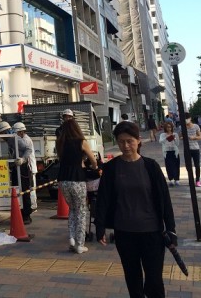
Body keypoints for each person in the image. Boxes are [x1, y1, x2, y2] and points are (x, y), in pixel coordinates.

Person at [95, 121, 177, 298]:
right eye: (121, 141)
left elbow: (165, 199)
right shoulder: (111, 168)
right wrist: (100, 226)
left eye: (130, 141)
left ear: (139, 141)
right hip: (125, 232)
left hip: (152, 232)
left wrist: (171, 228)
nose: (125, 146)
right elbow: (103, 198)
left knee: (154, 280)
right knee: (133, 279)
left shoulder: (150, 166)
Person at [56, 118, 98, 254]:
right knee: (81, 210)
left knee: (72, 209)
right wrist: (94, 166)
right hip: (77, 179)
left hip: (63, 180)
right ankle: (80, 244)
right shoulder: (82, 142)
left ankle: (72, 239)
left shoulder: (60, 143)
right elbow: (93, 160)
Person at [12, 122, 36, 224]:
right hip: (18, 167)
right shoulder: (17, 139)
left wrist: (22, 160)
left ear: (21, 132)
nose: (16, 134)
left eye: (17, 132)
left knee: (26, 191)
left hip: (26, 168)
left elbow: (28, 150)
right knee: (17, 191)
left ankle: (27, 215)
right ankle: (20, 213)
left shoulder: (26, 140)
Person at [182, 113, 201, 187]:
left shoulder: (196, 126)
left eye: (187, 118)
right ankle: (191, 180)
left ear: (190, 118)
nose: (186, 120)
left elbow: (200, 137)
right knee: (188, 165)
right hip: (187, 149)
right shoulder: (182, 127)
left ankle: (197, 180)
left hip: (195, 148)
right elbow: (180, 136)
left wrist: (194, 137)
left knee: (197, 165)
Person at [158, 121, 180, 186]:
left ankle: (177, 179)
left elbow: (177, 143)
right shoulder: (162, 135)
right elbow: (160, 141)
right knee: (169, 165)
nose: (169, 128)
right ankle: (171, 179)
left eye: (170, 127)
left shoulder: (175, 134)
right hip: (167, 152)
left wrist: (174, 138)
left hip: (174, 151)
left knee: (176, 165)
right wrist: (167, 138)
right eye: (167, 127)